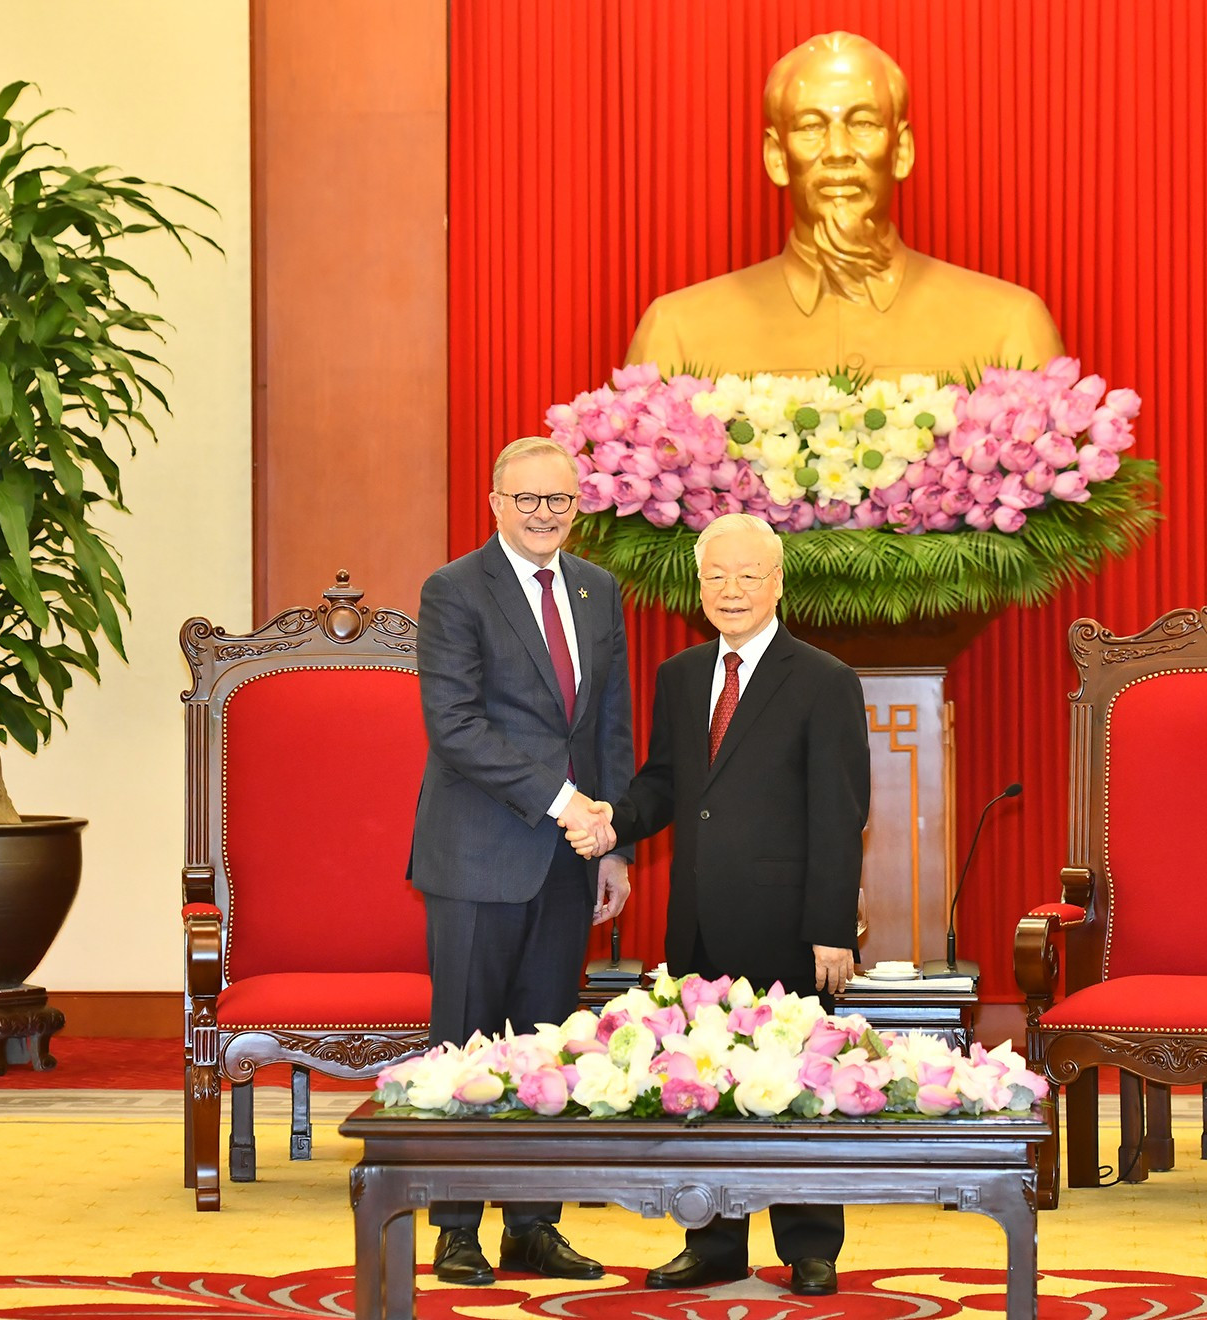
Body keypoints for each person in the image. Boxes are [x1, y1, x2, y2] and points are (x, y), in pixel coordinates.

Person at [570, 512, 870, 1297]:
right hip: (698, 916)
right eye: (716, 577)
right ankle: (713, 1243)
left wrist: (831, 930)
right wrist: (613, 822)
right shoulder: (680, 674)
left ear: (778, 583)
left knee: (798, 1085)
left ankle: (810, 1247)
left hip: (789, 925)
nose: (731, 591)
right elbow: (667, 784)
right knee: (702, 1084)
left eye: (748, 576)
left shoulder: (825, 679)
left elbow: (841, 815)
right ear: (698, 586)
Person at [408, 437, 633, 1285]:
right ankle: (457, 1228)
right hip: (479, 854)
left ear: (579, 508)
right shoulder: (455, 589)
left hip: (574, 859)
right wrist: (562, 802)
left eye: (560, 501)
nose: (545, 514)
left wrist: (615, 842)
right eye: (528, 500)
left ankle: (534, 1224)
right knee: (466, 1041)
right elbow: (455, 726)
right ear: (496, 502)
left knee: (547, 1045)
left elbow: (607, 722)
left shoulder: (597, 588)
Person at [624, 31, 1064, 378]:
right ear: (777, 157)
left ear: (902, 149)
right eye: (811, 126)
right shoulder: (677, 331)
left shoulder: (1010, 326)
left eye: (864, 123)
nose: (838, 150)